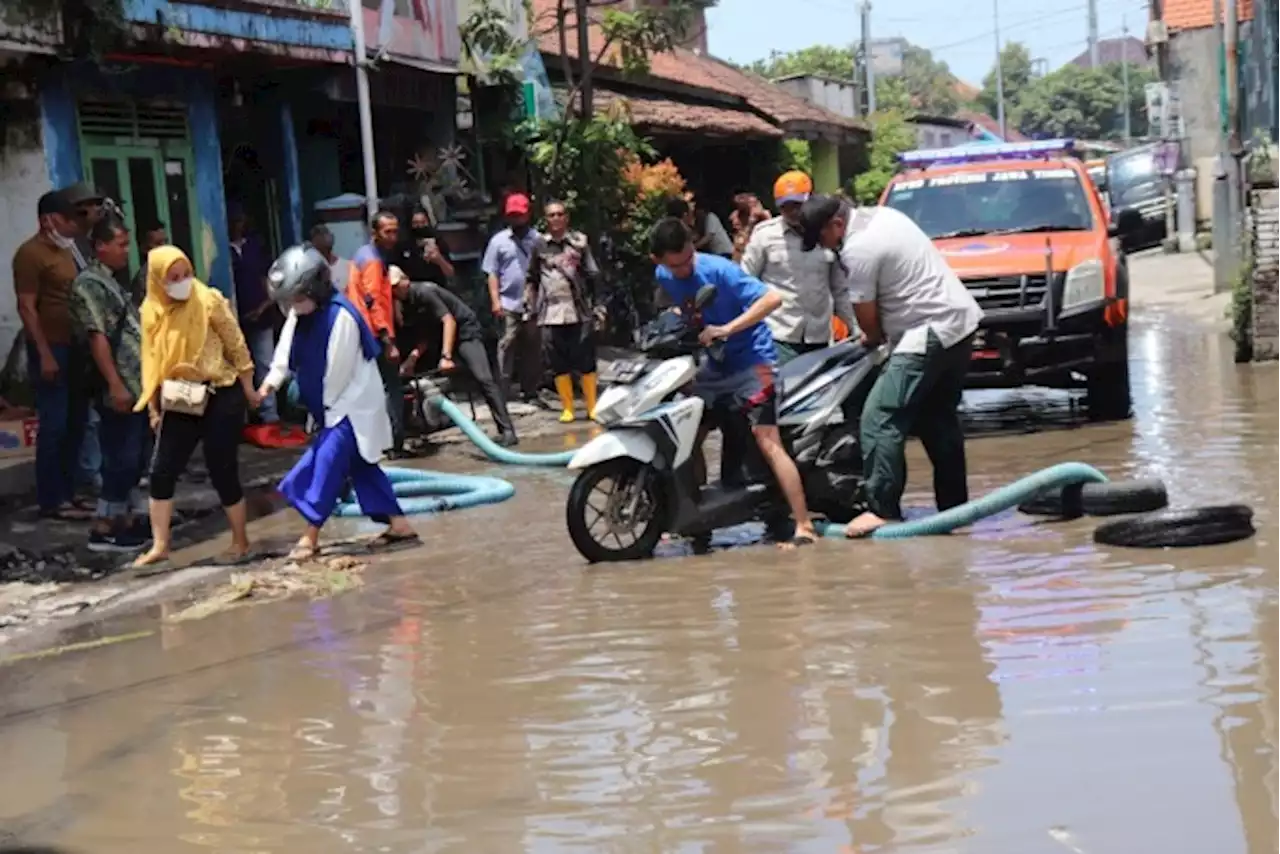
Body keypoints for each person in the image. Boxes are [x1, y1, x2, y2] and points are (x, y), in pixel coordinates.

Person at [798, 194, 984, 538]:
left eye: (822, 237)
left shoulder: (859, 249)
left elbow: (867, 320)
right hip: (960, 324)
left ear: (837, 225)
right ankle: (955, 511)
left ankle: (882, 510)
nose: (825, 246)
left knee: (879, 417)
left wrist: (869, 341)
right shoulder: (882, 215)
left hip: (927, 332)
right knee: (936, 420)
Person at [649, 217, 819, 548]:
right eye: (675, 265)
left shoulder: (719, 271)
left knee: (766, 439)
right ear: (658, 261)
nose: (683, 269)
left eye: (687, 260)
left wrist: (727, 329)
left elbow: (772, 300)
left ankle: (804, 524)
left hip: (753, 362)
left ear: (693, 247)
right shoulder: (663, 276)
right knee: (687, 436)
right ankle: (696, 521)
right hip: (713, 367)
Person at [258, 246, 420, 560]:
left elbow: (337, 372)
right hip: (331, 407)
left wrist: (324, 415)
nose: (293, 305)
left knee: (324, 466)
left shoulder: (341, 315)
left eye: (297, 297)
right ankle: (399, 525)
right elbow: (285, 349)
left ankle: (310, 536)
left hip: (350, 405)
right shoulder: (300, 313)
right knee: (362, 467)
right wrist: (272, 381)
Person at [133, 247, 263, 568]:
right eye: (173, 278)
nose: (182, 283)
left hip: (221, 392)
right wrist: (153, 407)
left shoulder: (208, 301)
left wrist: (249, 389)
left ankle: (240, 540)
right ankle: (160, 545)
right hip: (180, 396)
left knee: (221, 467)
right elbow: (151, 363)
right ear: (158, 281)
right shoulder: (152, 311)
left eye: (186, 275)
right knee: (162, 469)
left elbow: (236, 344)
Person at [69, 216, 149, 552]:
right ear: (100, 246)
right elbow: (97, 338)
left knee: (137, 453)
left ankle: (125, 521)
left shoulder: (111, 282)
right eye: (120, 245)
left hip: (136, 382)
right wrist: (115, 384)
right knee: (122, 455)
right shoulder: (90, 285)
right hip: (119, 385)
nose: (125, 252)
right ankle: (104, 527)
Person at [12, 190, 91, 520]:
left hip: (75, 346)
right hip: (51, 345)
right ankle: (51, 499)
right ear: (48, 221)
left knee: (77, 422)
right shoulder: (30, 254)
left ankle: (70, 493)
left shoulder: (67, 249)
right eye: (66, 220)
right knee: (55, 424)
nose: (72, 226)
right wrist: (44, 353)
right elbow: (27, 307)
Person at [391, 266, 519, 446]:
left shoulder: (424, 292)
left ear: (406, 281)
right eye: (392, 288)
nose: (395, 291)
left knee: (484, 379)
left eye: (397, 285)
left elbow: (449, 321)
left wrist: (446, 356)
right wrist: (412, 359)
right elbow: (426, 335)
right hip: (442, 336)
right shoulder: (406, 304)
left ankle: (507, 430)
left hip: (465, 332)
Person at [741, 171, 856, 365]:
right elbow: (745, 281)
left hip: (818, 337)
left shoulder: (827, 234)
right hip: (778, 336)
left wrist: (856, 329)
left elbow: (840, 291)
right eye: (786, 207)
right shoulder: (765, 235)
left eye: (797, 205)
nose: (793, 211)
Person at [525, 200, 600, 423]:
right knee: (557, 360)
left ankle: (592, 407)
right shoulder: (539, 245)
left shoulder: (579, 243)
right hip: (551, 312)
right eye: (551, 215)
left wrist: (598, 306)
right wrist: (529, 307)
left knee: (585, 358)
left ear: (566, 218)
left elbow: (593, 274)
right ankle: (567, 408)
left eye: (560, 214)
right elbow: (532, 278)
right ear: (545, 219)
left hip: (578, 310)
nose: (556, 218)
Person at [353, 211, 408, 456]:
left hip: (365, 332)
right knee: (391, 388)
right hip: (374, 333)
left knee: (373, 389)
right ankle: (394, 444)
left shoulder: (365, 256)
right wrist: (388, 341)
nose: (393, 237)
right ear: (374, 233)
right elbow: (373, 301)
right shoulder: (373, 261)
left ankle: (378, 444)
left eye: (395, 230)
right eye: (388, 232)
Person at [482, 193, 541, 404]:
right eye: (512, 215)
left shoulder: (538, 240)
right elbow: (492, 273)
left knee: (532, 348)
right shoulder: (498, 241)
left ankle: (531, 391)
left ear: (528, 215)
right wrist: (495, 301)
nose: (516, 219)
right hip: (508, 302)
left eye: (520, 215)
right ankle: (502, 392)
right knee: (506, 346)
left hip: (533, 303)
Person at [229, 208, 280, 426]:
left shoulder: (254, 247)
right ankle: (244, 418)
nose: (237, 225)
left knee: (265, 364)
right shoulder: (223, 248)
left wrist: (263, 307)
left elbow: (266, 279)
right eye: (234, 220)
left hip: (261, 316)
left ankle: (269, 416)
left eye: (240, 220)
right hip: (234, 319)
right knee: (238, 368)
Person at [131, 221, 168, 306]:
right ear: (144, 248)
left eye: (166, 242)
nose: (164, 247)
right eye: (158, 243)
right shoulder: (144, 279)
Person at [729, 192, 771, 263]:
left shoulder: (764, 215)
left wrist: (756, 217)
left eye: (754, 203)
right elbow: (738, 241)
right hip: (742, 251)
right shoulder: (735, 216)